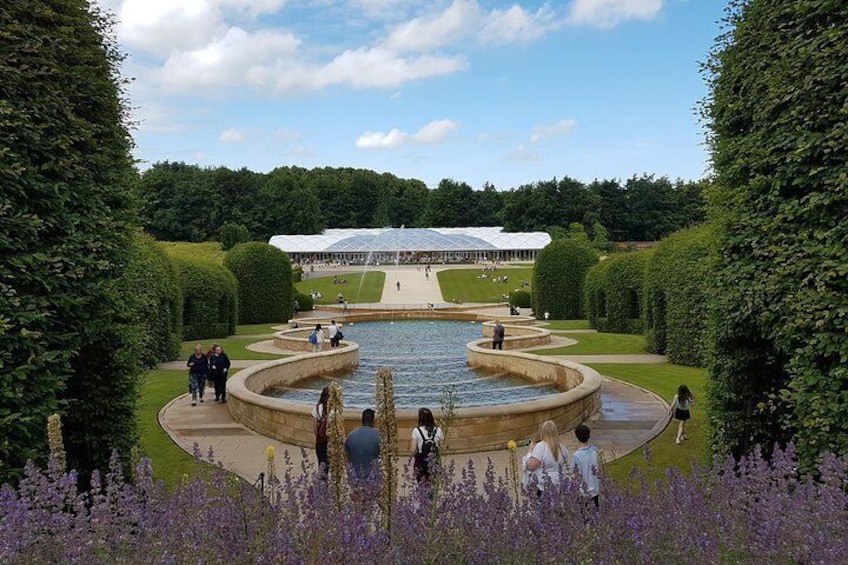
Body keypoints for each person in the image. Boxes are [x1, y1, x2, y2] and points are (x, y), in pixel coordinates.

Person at [522, 420, 570, 495]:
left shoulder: (541, 447)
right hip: (558, 484)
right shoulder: (562, 447)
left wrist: (529, 452)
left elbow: (531, 466)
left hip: (542, 485)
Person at [344, 409, 381, 480]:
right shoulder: (377, 436)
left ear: (362, 420)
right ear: (373, 421)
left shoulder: (351, 435)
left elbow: (346, 455)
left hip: (355, 476)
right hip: (372, 478)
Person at [410, 407, 443, 484]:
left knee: (422, 485)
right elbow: (442, 447)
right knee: (434, 485)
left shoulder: (416, 431)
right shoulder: (438, 430)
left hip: (421, 462)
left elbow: (412, 450)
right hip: (435, 461)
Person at [572, 424, 600, 508]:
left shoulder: (576, 455)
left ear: (577, 437)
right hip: (595, 488)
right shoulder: (595, 450)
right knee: (595, 511)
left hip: (584, 491)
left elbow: (577, 475)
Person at [312, 387, 330, 475]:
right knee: (329, 464)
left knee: (321, 463)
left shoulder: (317, 408)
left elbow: (315, 428)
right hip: (330, 441)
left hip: (320, 442)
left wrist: (319, 436)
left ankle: (322, 484)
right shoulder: (334, 410)